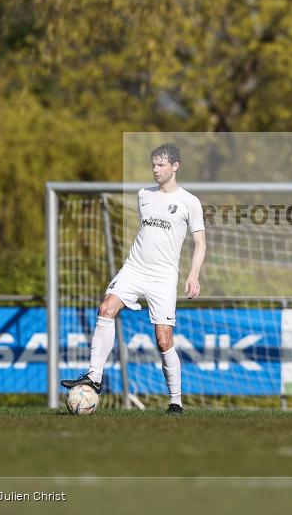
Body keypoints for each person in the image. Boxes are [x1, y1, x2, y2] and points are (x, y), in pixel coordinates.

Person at [61, 143, 206, 415]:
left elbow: (200, 243)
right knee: (106, 309)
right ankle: (94, 377)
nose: (156, 169)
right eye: (153, 164)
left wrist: (193, 275)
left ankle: (176, 401)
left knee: (164, 340)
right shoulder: (144, 195)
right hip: (134, 269)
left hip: (163, 277)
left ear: (175, 166)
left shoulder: (190, 202)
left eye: (161, 164)